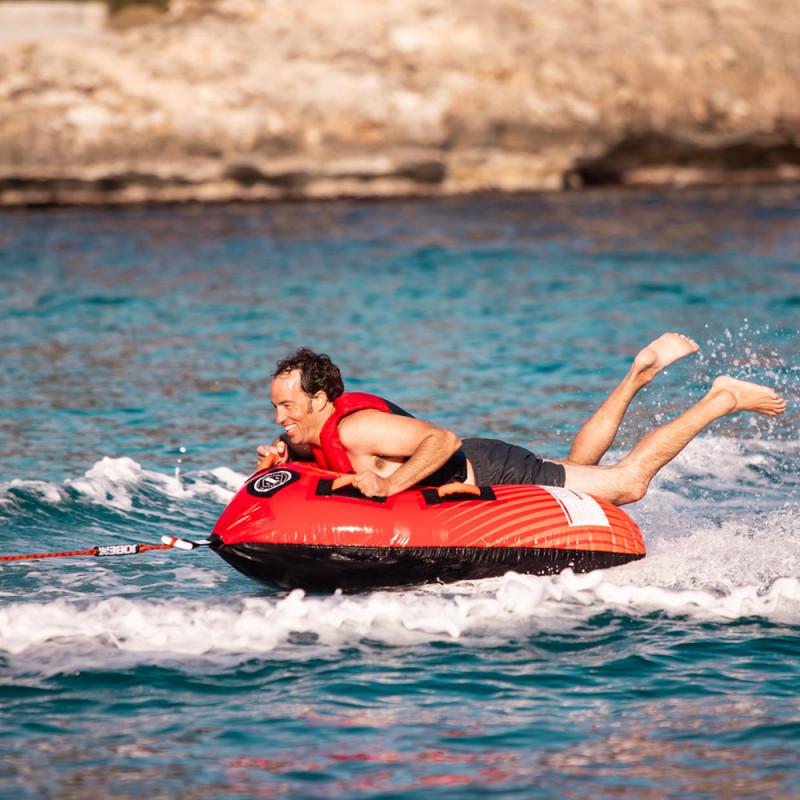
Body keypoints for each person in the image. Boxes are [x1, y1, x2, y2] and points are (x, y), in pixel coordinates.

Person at [256, 334, 786, 506]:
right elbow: (317, 464)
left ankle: (721, 399)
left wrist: (391, 485)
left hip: (491, 470)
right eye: (276, 408)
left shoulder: (357, 426)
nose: (280, 418)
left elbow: (442, 440)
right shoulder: (312, 435)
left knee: (626, 485)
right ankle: (637, 375)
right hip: (488, 463)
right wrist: (282, 459)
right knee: (578, 466)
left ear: (320, 400)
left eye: (288, 407)